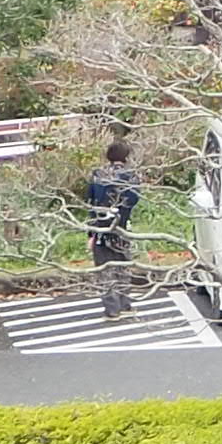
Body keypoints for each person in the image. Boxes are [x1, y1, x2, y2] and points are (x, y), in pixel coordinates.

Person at [82, 131, 145, 318]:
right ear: (126, 157)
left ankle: (111, 309)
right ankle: (125, 304)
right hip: (122, 228)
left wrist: (90, 233)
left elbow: (90, 203)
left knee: (104, 271)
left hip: (100, 228)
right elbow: (133, 200)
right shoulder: (131, 177)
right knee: (122, 267)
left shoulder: (97, 175)